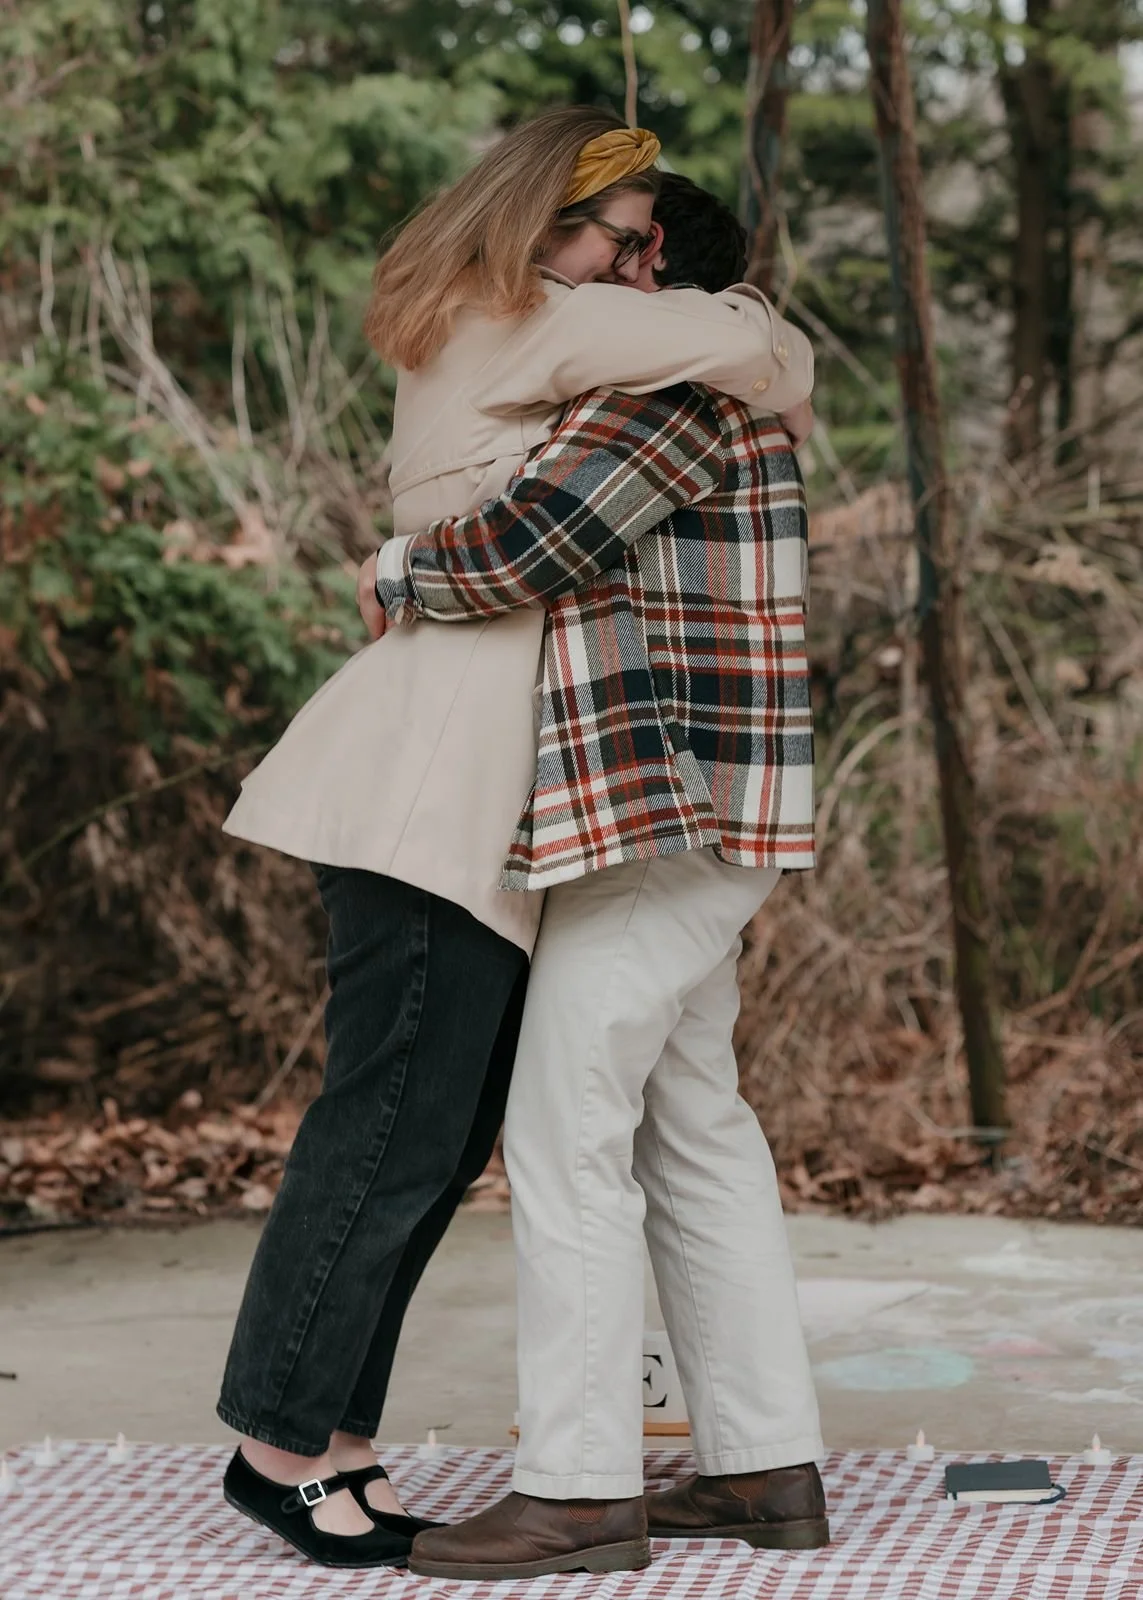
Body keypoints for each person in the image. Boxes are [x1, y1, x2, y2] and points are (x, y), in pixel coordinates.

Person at [215, 108, 814, 1571]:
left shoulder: (586, 363)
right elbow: (551, 533)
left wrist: (404, 563)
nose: (633, 270)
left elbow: (541, 537)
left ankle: (396, 1449)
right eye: (618, 242)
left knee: (480, 1133)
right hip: (441, 801)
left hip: (604, 811)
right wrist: (415, 566)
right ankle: (320, 1449)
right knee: (446, 1133)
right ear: (547, 234)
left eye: (650, 256)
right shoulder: (555, 337)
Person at [363, 176, 829, 1585]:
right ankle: (762, 1469)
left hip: (666, 811)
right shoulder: (698, 382)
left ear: (656, 278)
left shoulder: (668, 391)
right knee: (690, 1123)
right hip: (685, 813)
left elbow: (532, 543)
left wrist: (394, 565)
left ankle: (576, 1491)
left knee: (564, 1127)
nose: (572, 287)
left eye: (612, 255)